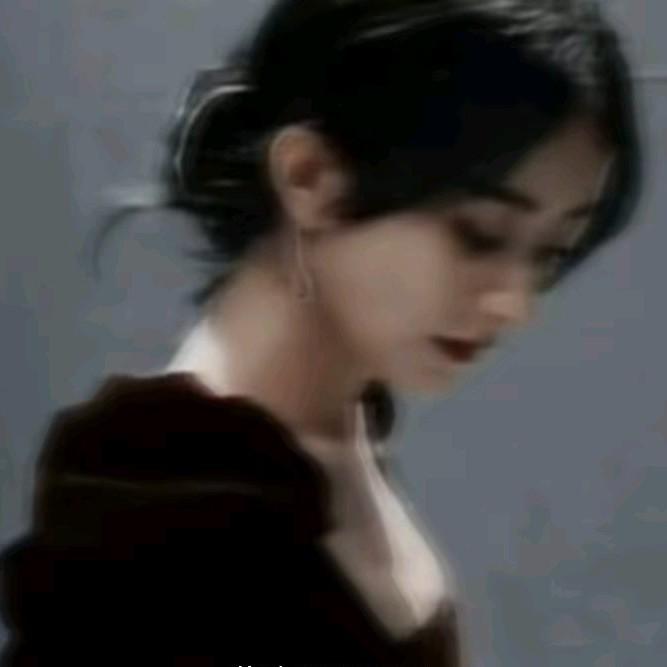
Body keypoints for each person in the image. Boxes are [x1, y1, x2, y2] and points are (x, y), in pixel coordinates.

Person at [0, 0, 642, 664]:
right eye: (480, 233)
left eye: (549, 254)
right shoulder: (159, 497)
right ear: (309, 178)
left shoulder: (340, 423)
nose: (516, 304)